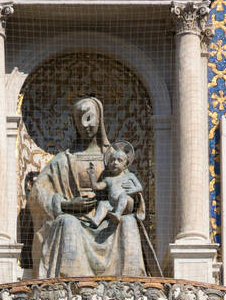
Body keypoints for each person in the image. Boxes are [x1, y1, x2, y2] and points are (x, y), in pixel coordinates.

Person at [29, 96, 147, 279]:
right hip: (76, 219)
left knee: (129, 222)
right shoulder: (63, 160)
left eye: (90, 119)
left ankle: (132, 284)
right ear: (75, 123)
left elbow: (131, 192)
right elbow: (37, 194)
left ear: (100, 120)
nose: (86, 126)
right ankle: (71, 286)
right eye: (80, 120)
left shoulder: (113, 158)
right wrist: (67, 205)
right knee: (67, 222)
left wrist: (126, 202)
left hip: (109, 218)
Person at [89, 146, 143, 229]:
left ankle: (118, 214)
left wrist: (131, 190)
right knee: (102, 203)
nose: (115, 162)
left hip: (127, 205)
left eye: (119, 160)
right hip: (112, 205)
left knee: (123, 195)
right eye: (112, 160)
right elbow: (96, 187)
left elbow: (139, 187)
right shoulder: (108, 179)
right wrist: (91, 175)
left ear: (125, 164)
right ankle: (96, 221)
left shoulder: (129, 176)